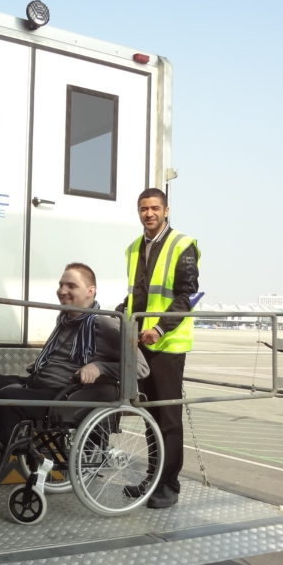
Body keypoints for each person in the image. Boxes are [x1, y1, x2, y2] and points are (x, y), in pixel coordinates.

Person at [0, 262, 149, 503]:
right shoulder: (65, 319)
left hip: (63, 396)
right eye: (61, 284)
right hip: (38, 384)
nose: (63, 290)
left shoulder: (107, 323)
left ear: (90, 291)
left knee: (8, 398)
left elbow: (141, 368)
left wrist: (99, 367)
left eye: (72, 285)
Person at [118, 187, 200, 509]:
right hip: (141, 343)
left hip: (167, 345)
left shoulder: (183, 245)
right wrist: (116, 318)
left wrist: (158, 328)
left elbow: (187, 297)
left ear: (166, 210)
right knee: (150, 416)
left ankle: (169, 485)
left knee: (168, 417)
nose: (148, 213)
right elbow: (136, 296)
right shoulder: (134, 248)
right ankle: (153, 479)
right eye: (143, 209)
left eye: (154, 208)